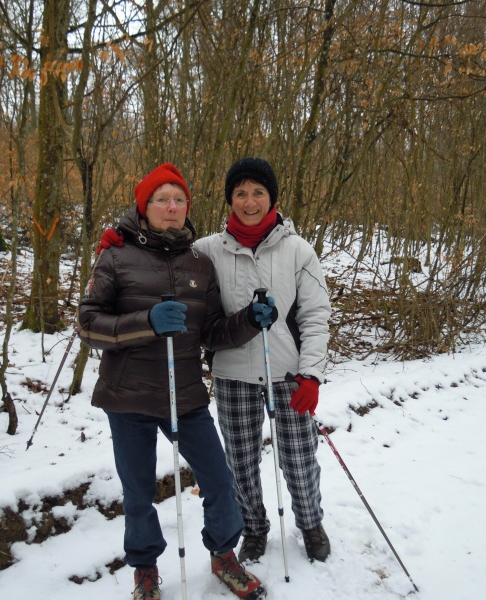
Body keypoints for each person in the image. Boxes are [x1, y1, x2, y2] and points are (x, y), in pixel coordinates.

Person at [77, 163, 274, 600]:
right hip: (127, 397)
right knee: (139, 491)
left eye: (179, 200)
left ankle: (224, 554)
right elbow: (88, 325)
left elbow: (212, 332)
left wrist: (250, 322)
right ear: (144, 207)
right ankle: (145, 569)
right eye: (161, 200)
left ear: (188, 207)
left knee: (220, 481)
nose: (171, 207)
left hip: (183, 393)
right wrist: (146, 322)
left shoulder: (200, 264)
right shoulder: (115, 256)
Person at [193, 157, 332, 564]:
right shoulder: (206, 251)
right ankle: (253, 528)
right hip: (234, 375)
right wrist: (121, 244)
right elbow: (162, 256)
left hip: (288, 375)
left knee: (299, 456)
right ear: (229, 199)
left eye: (257, 192)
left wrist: (312, 374)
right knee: (239, 461)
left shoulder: (298, 251)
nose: (249, 201)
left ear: (271, 198)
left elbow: (315, 315)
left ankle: (309, 521)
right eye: (240, 193)